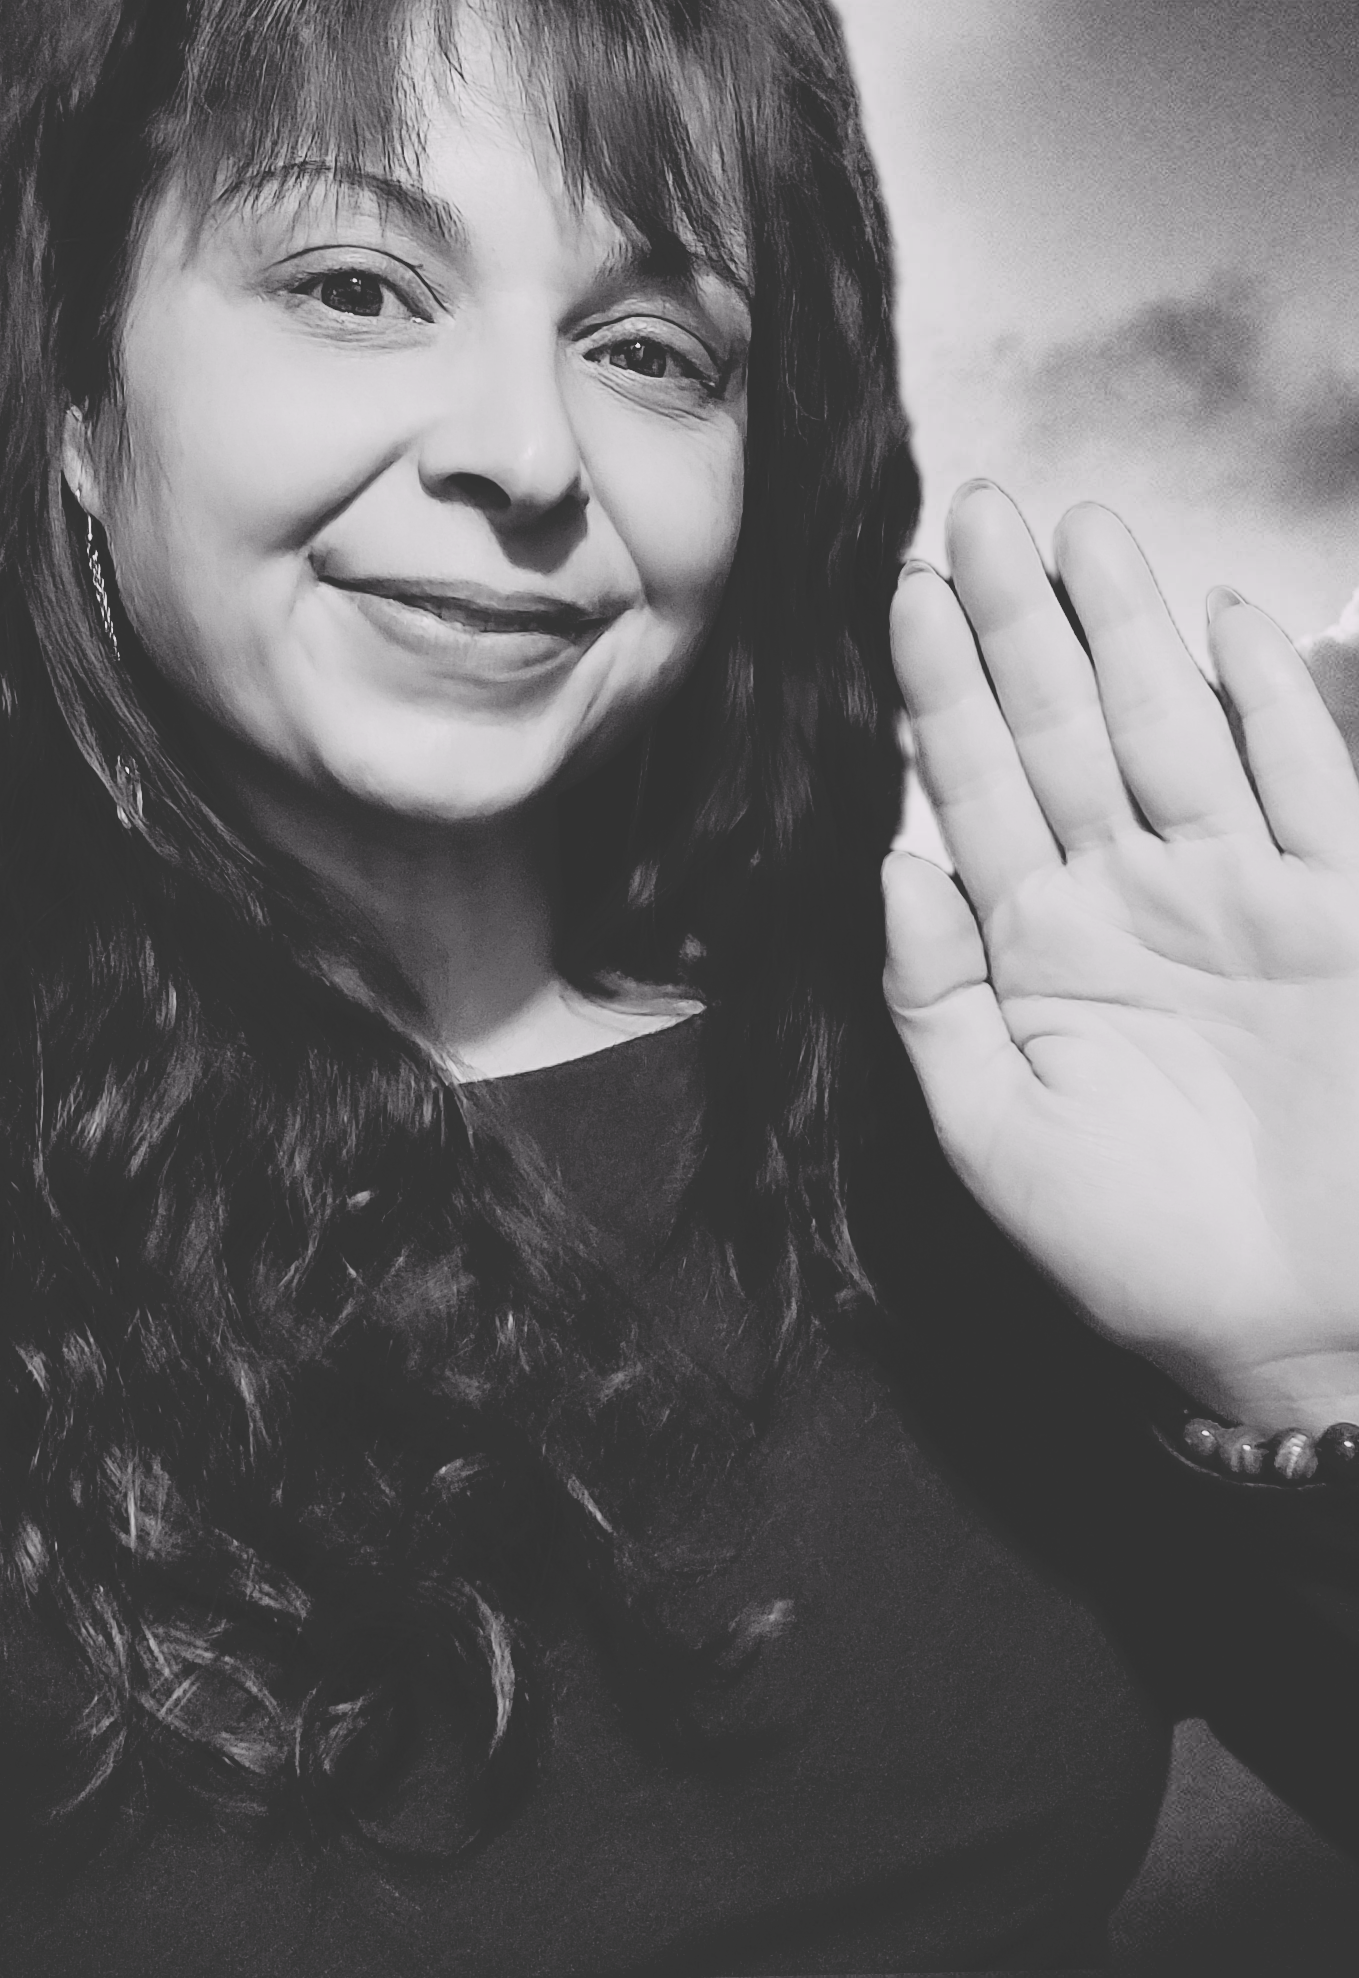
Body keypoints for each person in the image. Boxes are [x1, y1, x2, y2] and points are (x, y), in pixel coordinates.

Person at [2, 1, 1358, 1972]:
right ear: (77, 402)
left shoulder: (977, 1114)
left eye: (648, 347)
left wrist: (1304, 1374)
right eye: (356, 285)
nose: (525, 451)